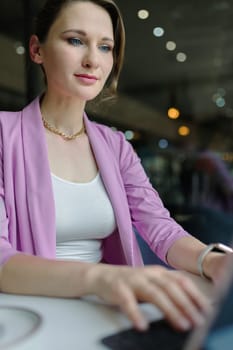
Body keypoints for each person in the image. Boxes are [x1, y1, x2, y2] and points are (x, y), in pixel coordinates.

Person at [0, 0, 232, 333]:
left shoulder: (114, 145)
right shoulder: (3, 136)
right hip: (34, 319)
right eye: (75, 40)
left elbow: (160, 228)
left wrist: (213, 261)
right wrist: (99, 277)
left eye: (105, 47)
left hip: (107, 311)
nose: (93, 59)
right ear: (37, 50)